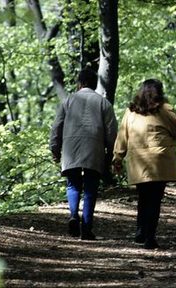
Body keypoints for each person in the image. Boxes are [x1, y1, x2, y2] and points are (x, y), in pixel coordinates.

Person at [112, 79, 176, 249]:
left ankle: (140, 232)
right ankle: (150, 237)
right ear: (159, 92)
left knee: (143, 197)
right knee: (154, 200)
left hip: (138, 162)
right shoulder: (164, 109)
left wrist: (117, 157)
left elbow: (122, 136)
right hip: (159, 161)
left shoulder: (131, 111)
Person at [50, 67, 117, 240]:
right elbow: (111, 132)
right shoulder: (103, 103)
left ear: (79, 83)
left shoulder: (68, 101)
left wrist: (55, 148)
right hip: (94, 149)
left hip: (71, 148)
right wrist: (112, 153)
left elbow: (57, 126)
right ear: (94, 84)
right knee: (90, 188)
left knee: (72, 184)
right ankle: (86, 229)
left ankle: (73, 214)